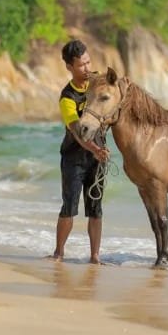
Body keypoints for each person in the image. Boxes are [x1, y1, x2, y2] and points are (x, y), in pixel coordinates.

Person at [52, 39, 110, 264]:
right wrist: (94, 149)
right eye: (81, 65)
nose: (87, 68)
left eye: (88, 62)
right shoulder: (67, 97)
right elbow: (77, 131)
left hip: (98, 157)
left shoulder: (97, 83)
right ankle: (59, 253)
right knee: (69, 207)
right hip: (73, 158)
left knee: (96, 208)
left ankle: (95, 256)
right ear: (69, 67)